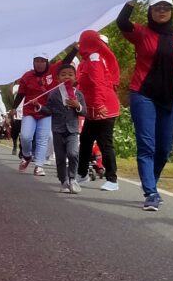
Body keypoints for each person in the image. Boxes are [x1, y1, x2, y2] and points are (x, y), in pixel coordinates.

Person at [117, 0, 173, 211]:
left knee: (164, 148)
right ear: (151, 11)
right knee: (147, 145)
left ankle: (151, 183)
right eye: (157, 8)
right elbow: (122, 22)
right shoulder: (141, 33)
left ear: (171, 10)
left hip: (171, 97)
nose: (162, 11)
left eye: (165, 8)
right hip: (143, 95)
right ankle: (151, 192)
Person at [9, 45, 77, 176]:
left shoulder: (53, 70)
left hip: (47, 111)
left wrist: (74, 49)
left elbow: (66, 62)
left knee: (43, 138)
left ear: (47, 62)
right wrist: (13, 107)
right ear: (33, 62)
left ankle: (39, 165)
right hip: (30, 111)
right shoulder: (27, 76)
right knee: (25, 136)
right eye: (37, 61)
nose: (39, 64)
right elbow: (21, 94)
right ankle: (27, 155)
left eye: (42, 61)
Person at [75, 30, 121, 192]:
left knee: (104, 143)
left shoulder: (94, 59)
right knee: (86, 140)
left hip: (103, 108)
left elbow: (98, 84)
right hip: (94, 109)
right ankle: (82, 173)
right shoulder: (89, 59)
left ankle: (112, 179)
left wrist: (100, 104)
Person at [39, 64, 87, 193]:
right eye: (63, 74)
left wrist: (78, 106)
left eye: (70, 74)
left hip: (72, 129)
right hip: (58, 129)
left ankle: (73, 178)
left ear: (75, 77)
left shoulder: (78, 94)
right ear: (58, 78)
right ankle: (63, 181)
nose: (67, 77)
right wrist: (39, 107)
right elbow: (49, 110)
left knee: (73, 153)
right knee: (60, 157)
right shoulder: (54, 94)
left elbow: (84, 112)